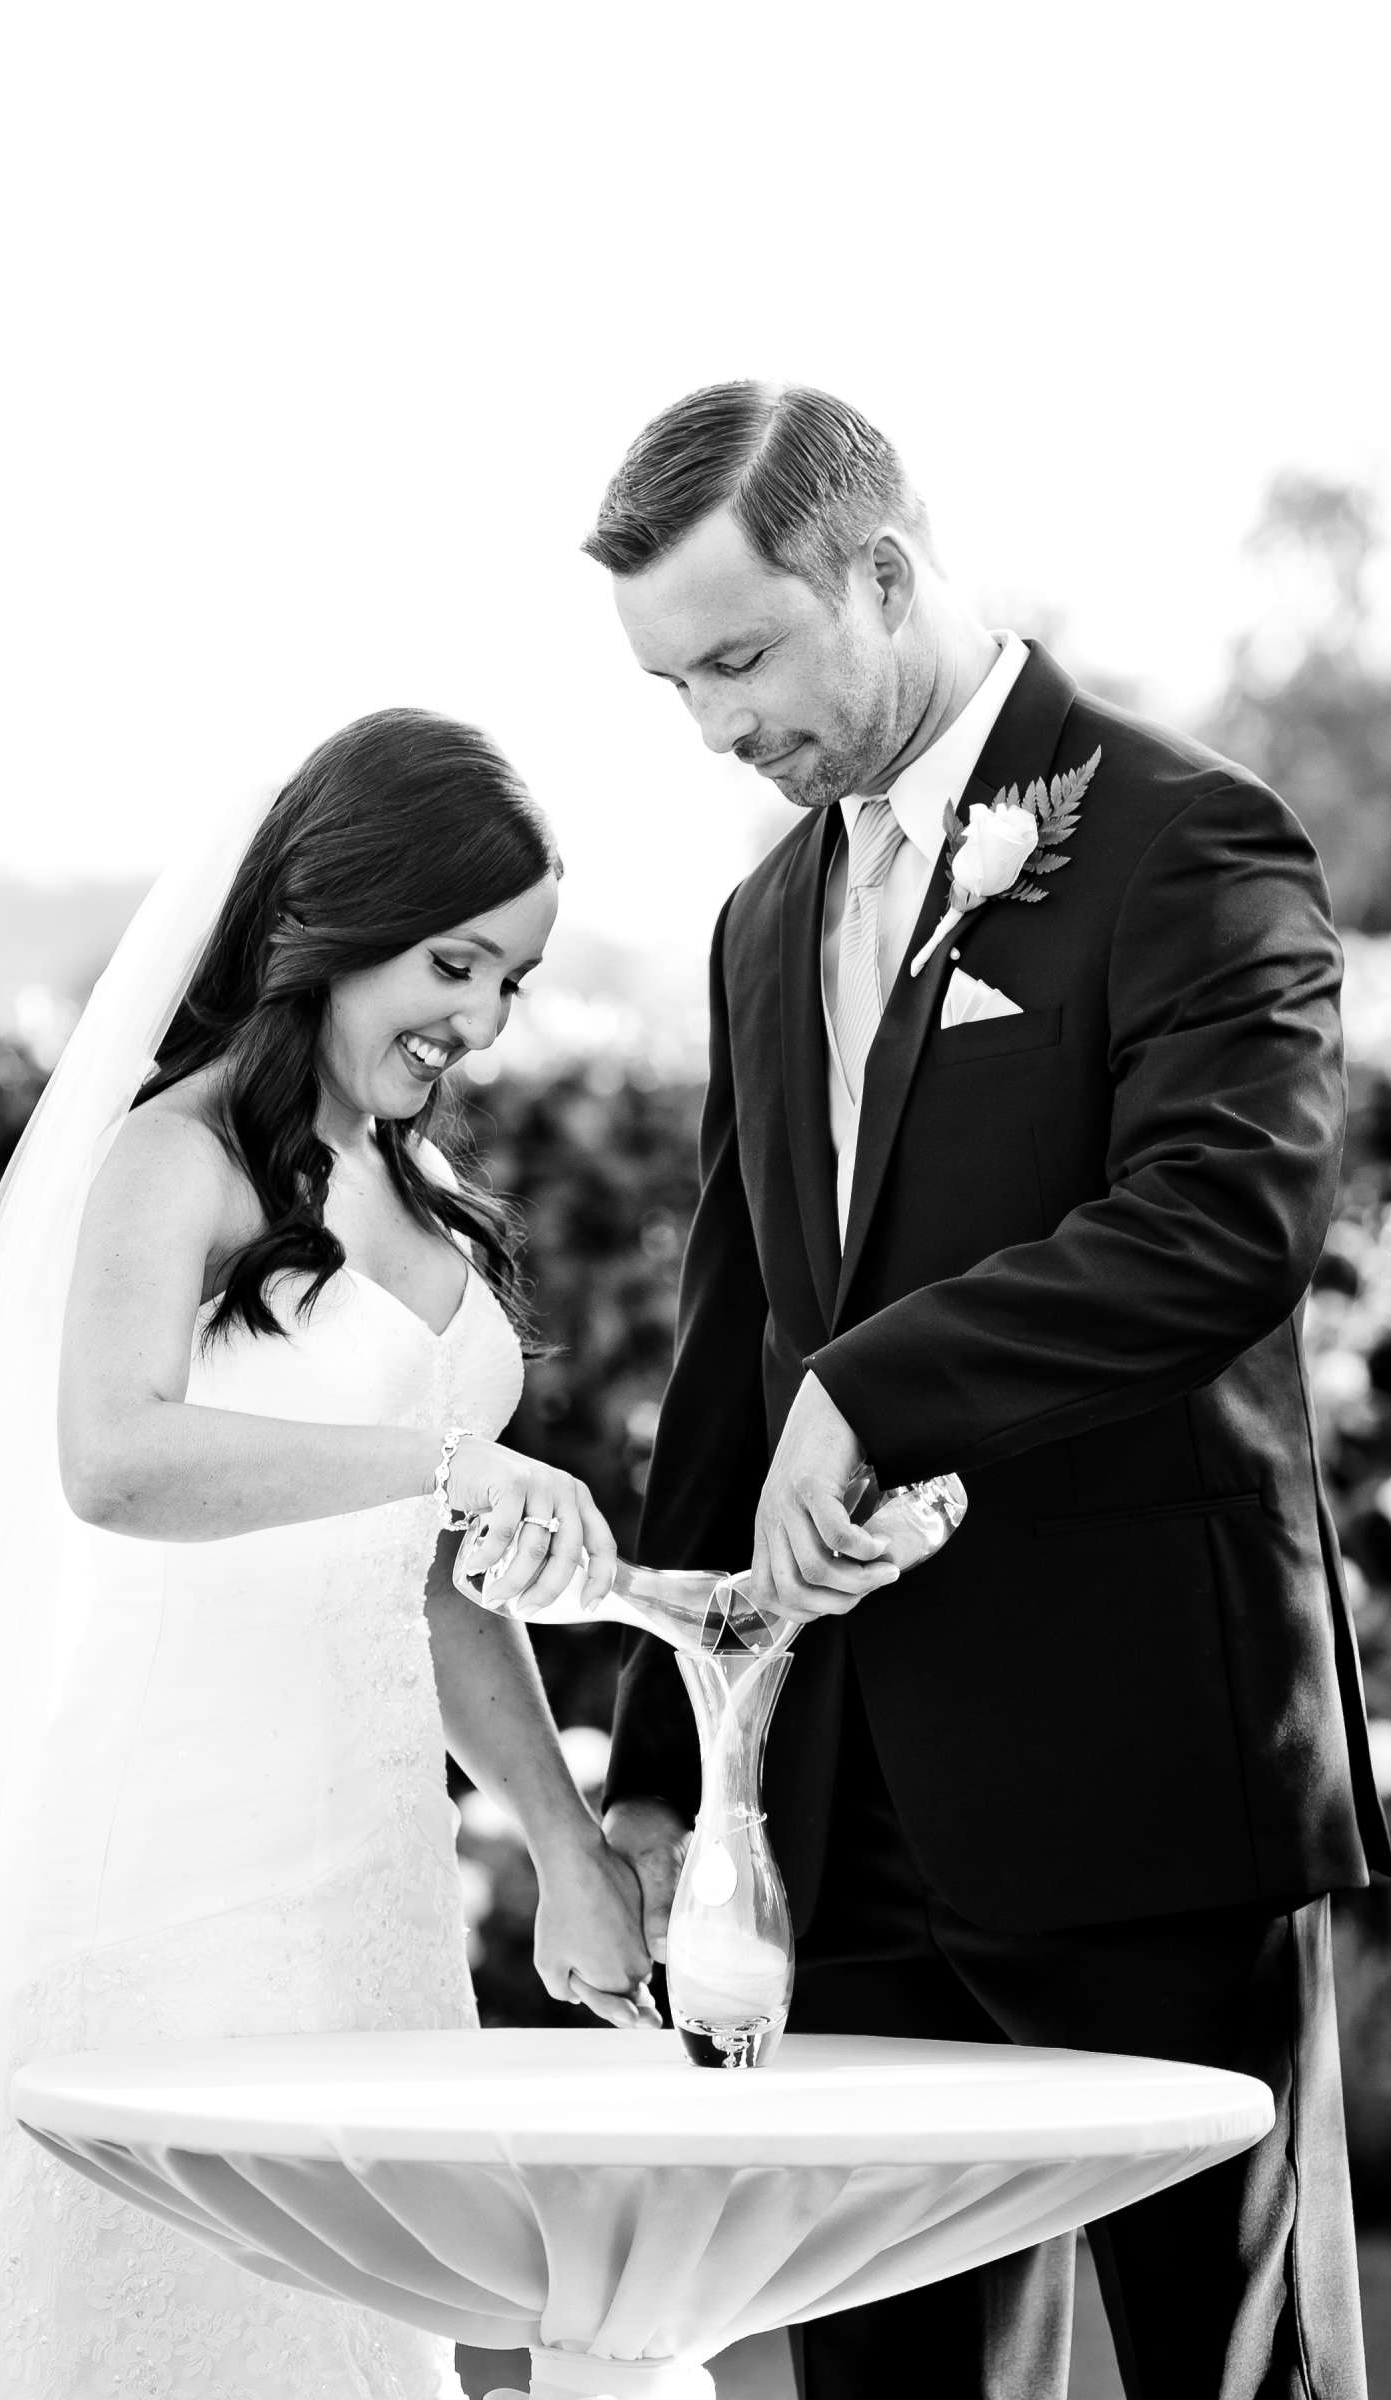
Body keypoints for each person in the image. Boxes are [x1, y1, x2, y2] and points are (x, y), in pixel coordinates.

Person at [587, 383, 1391, 2400]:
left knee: (1223, 2373)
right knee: (874, 2377)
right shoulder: (758, 922)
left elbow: (1222, 1222)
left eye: (740, 659)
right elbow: (731, 1342)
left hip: (1139, 1786)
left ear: (879, 568)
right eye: (673, 685)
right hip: (839, 1812)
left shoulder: (1184, 833)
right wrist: (666, 1776)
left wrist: (877, 1385)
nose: (714, 730)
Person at [0, 708, 654, 2400]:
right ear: (330, 929)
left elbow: (426, 1583)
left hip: (371, 1869)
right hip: (175, 1861)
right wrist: (447, 1462)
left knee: (370, 2333)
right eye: (453, 965)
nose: (479, 1023)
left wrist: (560, 1841)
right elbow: (113, 1461)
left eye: (512, 984)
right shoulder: (166, 1158)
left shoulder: (423, 1195)